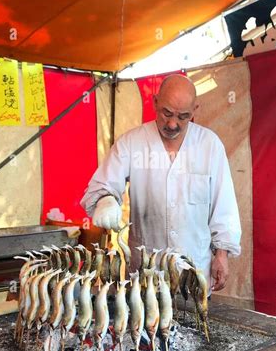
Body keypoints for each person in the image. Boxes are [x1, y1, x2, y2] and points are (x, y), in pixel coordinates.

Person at [81, 74, 241, 291]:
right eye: (166, 113)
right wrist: (106, 200)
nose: (173, 123)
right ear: (155, 102)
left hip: (194, 270)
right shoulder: (132, 143)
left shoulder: (209, 145)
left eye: (183, 116)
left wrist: (222, 254)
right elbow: (103, 186)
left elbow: (224, 205)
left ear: (195, 109)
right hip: (146, 273)